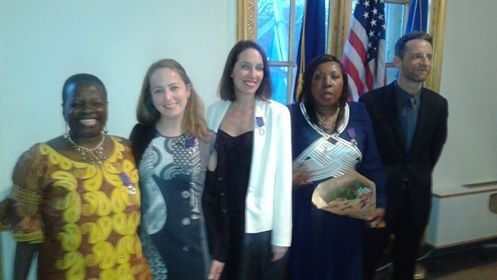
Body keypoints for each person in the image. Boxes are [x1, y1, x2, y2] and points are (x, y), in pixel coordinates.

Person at [0, 74, 151, 280]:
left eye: (96, 103)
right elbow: (27, 238)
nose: (88, 110)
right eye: (77, 104)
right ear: (63, 109)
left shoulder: (126, 150)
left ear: (106, 106)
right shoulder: (40, 160)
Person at [288, 54, 387, 280]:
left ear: (343, 83)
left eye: (334, 76)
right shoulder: (290, 115)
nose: (327, 82)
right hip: (305, 216)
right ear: (309, 83)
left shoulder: (359, 113)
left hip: (349, 213)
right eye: (319, 77)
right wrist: (287, 179)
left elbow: (372, 163)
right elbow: (274, 166)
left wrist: (379, 201)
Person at [360, 31, 448, 280]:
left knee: (406, 262)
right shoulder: (372, 102)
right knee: (368, 259)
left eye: (429, 57)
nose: (425, 63)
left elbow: (433, 151)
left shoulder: (438, 105)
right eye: (417, 56)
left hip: (416, 198)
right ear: (398, 61)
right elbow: (365, 152)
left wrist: (415, 176)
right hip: (379, 200)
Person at [202, 40, 292, 280]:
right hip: (221, 221)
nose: (253, 74)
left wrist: (282, 238)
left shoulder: (277, 114)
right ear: (231, 71)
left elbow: (283, 179)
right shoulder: (213, 112)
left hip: (258, 227)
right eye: (245, 66)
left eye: (259, 68)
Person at [129, 59, 216, 280]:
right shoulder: (140, 135)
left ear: (187, 90)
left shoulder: (206, 140)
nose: (167, 97)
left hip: (195, 253)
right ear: (150, 97)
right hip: (150, 252)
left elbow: (216, 201)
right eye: (159, 91)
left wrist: (221, 253)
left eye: (174, 88)